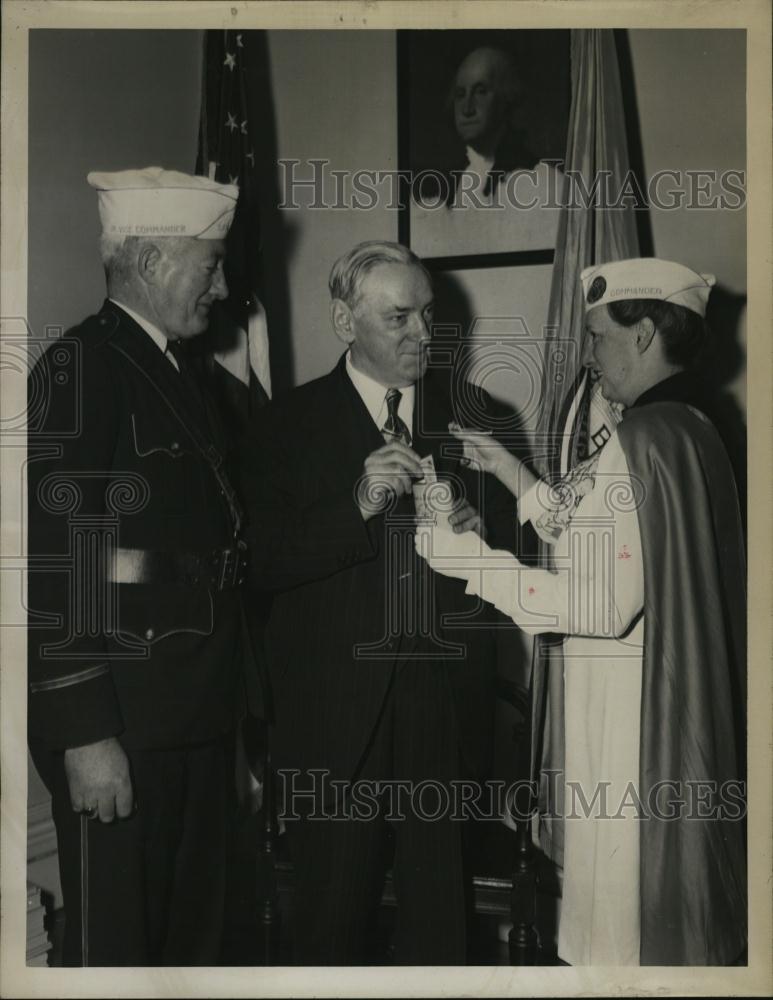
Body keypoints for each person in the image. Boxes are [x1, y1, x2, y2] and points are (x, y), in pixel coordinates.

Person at [417, 257, 747, 965]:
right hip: (669, 710)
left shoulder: (642, 438)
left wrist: (467, 559)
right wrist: (509, 470)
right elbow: (600, 530)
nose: (588, 358)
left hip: (631, 728)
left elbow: (598, 601)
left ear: (644, 334)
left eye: (598, 337)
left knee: (620, 943)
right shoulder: (690, 428)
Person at [237, 240, 518, 965]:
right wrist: (355, 505)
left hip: (443, 713)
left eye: (427, 314)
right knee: (328, 929)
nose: (422, 333)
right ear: (345, 321)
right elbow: (257, 564)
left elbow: (520, 561)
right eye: (399, 318)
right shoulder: (282, 426)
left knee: (441, 935)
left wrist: (481, 538)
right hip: (332, 720)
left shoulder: (478, 418)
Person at [27, 166, 265, 965]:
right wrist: (86, 735)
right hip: (124, 724)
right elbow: (55, 561)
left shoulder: (178, 372)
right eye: (211, 266)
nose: (223, 289)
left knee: (194, 947)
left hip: (196, 713)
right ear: (153, 261)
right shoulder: (82, 368)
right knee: (119, 951)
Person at [411, 46, 564, 258]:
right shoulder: (437, 191)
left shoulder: (546, 183)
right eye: (460, 94)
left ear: (506, 99)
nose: (467, 108)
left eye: (481, 91)